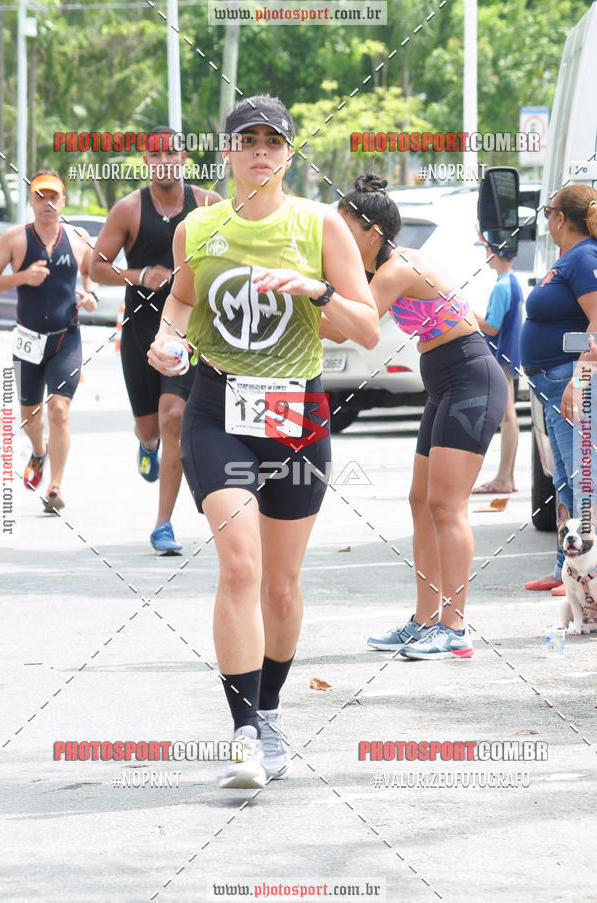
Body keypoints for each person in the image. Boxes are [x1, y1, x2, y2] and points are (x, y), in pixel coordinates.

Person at [148, 95, 380, 789]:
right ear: (227, 153)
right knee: (241, 568)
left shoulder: (319, 227)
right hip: (218, 408)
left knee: (280, 584)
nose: (259, 152)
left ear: (287, 153)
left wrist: (313, 291)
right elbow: (183, 299)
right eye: (245, 140)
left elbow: (365, 331)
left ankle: (272, 709)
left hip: (298, 416)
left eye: (272, 141)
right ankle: (244, 730)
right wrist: (168, 339)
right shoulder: (199, 227)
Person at [331, 174, 508, 659]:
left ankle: (455, 628)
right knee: (421, 502)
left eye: (343, 233)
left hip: (472, 379)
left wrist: (307, 297)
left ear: (372, 234)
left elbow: (351, 330)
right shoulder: (379, 269)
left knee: (447, 506)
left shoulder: (399, 267)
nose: (336, 245)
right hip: (445, 383)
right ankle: (425, 618)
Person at [91, 127, 221, 554]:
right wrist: (140, 276)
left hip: (187, 328)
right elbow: (96, 267)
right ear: (145, 161)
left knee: (174, 414)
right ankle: (146, 446)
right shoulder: (129, 209)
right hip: (141, 329)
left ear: (185, 159)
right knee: (151, 426)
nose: (164, 159)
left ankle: (163, 524)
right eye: (155, 153)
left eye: (172, 152)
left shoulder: (208, 204)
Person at [0, 171, 98, 512]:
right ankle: (38, 451)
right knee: (30, 416)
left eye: (54, 197)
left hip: (65, 340)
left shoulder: (78, 238)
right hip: (27, 340)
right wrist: (23, 277)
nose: (48, 203)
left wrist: (91, 294)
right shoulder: (15, 239)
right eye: (41, 196)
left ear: (63, 201)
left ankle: (55, 487)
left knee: (59, 411)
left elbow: (91, 275)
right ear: (31, 200)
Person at [521, 186, 597, 594]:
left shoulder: (584, 257)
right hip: (552, 382)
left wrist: (577, 381)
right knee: (565, 480)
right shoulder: (571, 259)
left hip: (570, 381)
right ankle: (565, 569)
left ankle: (590, 573)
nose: (545, 219)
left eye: (546, 212)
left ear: (560, 218)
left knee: (586, 478)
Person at [472, 236, 523, 494]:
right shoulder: (512, 282)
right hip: (508, 355)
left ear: (493, 252)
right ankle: (506, 478)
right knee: (508, 415)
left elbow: (493, 325)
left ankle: (504, 479)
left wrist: (466, 313)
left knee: (507, 415)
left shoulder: (503, 285)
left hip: (500, 355)